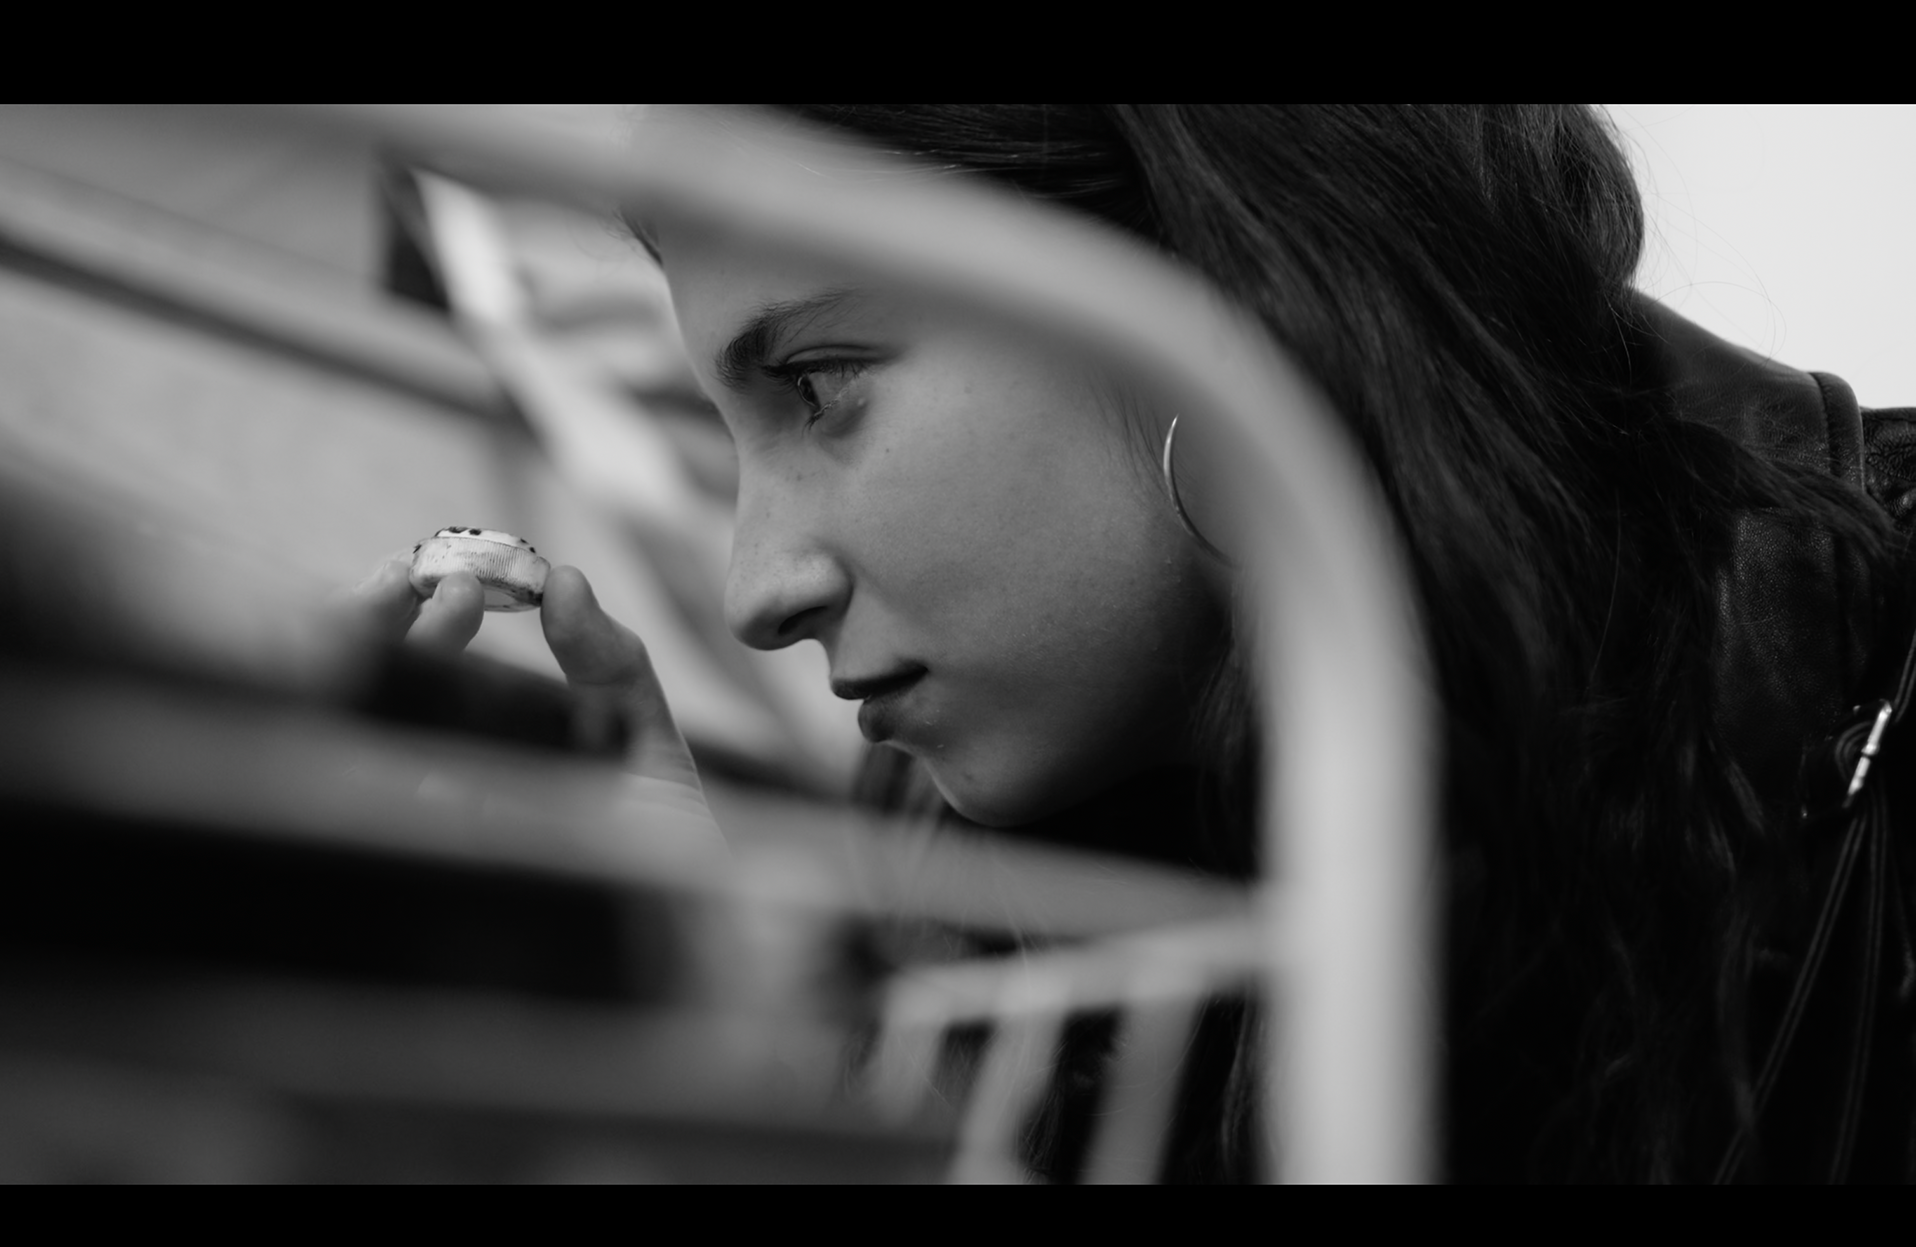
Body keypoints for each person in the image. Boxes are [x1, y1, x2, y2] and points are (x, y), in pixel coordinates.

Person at [353, 106, 1916, 1182]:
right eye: (729, 433)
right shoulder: (949, 869)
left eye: (820, 386)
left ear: (1214, 278)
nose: (760, 588)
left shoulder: (1879, 715)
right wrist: (733, 1050)